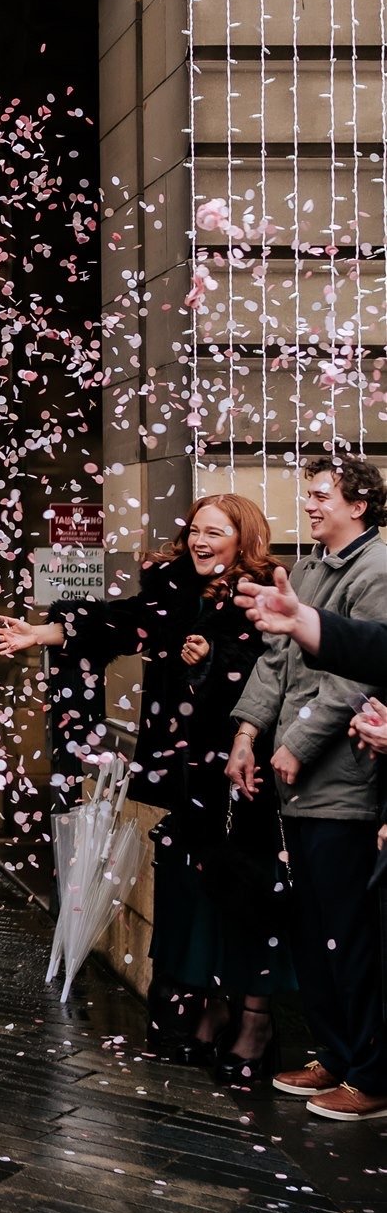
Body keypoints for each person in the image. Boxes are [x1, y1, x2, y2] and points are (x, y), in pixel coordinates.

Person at [0, 495, 285, 1078]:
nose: (201, 541)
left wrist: (211, 657)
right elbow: (119, 622)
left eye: (216, 532)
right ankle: (204, 1009)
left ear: (242, 538)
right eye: (195, 530)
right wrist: (43, 632)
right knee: (189, 893)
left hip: (240, 767)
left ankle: (253, 1021)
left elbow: (276, 673)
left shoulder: (263, 597)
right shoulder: (172, 591)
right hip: (182, 770)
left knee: (241, 893)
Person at [228, 454, 387, 1121]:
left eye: (321, 495)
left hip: (343, 783)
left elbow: (356, 673)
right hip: (296, 790)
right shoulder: (312, 568)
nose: (310, 505)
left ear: (359, 502)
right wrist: (245, 733)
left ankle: (370, 1070)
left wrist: (295, 742)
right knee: (311, 926)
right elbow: (275, 658)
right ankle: (335, 1052)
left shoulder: (377, 570)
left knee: (350, 934)